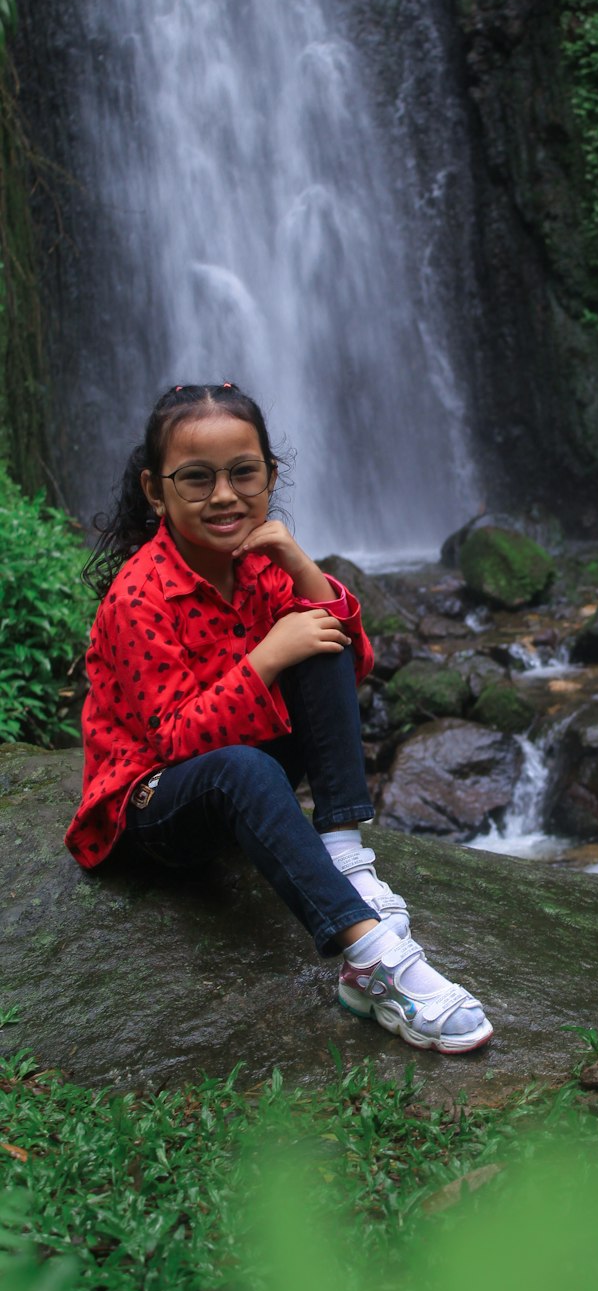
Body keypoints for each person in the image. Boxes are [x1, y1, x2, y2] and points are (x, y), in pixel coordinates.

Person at [65, 382, 492, 1055]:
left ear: (271, 474)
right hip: (153, 803)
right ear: (156, 492)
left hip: (241, 767)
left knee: (320, 636)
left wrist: (298, 564)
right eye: (197, 479)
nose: (225, 495)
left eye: (244, 473)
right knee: (245, 764)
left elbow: (351, 670)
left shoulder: (262, 564)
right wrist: (267, 658)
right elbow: (174, 740)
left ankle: (346, 859)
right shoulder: (139, 595)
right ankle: (373, 959)